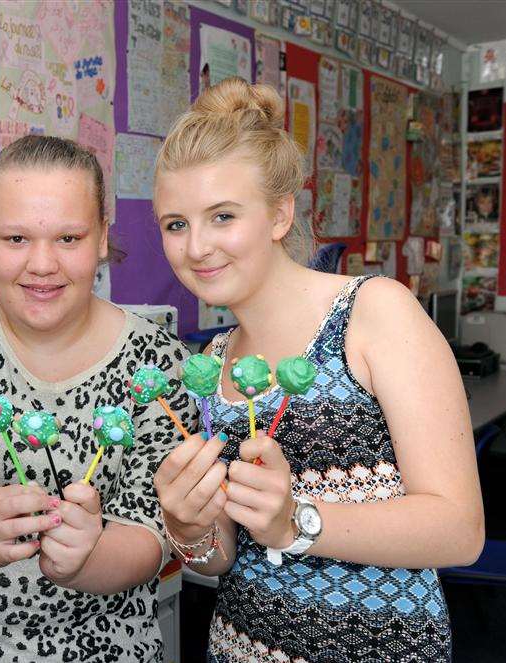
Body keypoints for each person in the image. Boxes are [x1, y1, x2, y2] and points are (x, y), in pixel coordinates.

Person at [152, 78, 484, 662]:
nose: (196, 246)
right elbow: (224, 556)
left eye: (222, 216)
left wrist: (297, 523)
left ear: (280, 215)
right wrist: (186, 525)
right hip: (242, 645)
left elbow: (460, 530)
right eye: (175, 224)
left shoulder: (374, 312)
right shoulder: (211, 363)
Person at [0, 135, 196, 662]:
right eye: (16, 238)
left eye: (67, 237)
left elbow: (152, 539)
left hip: (109, 647)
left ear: (102, 239)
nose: (42, 264)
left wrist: (89, 557)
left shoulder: (157, 364)